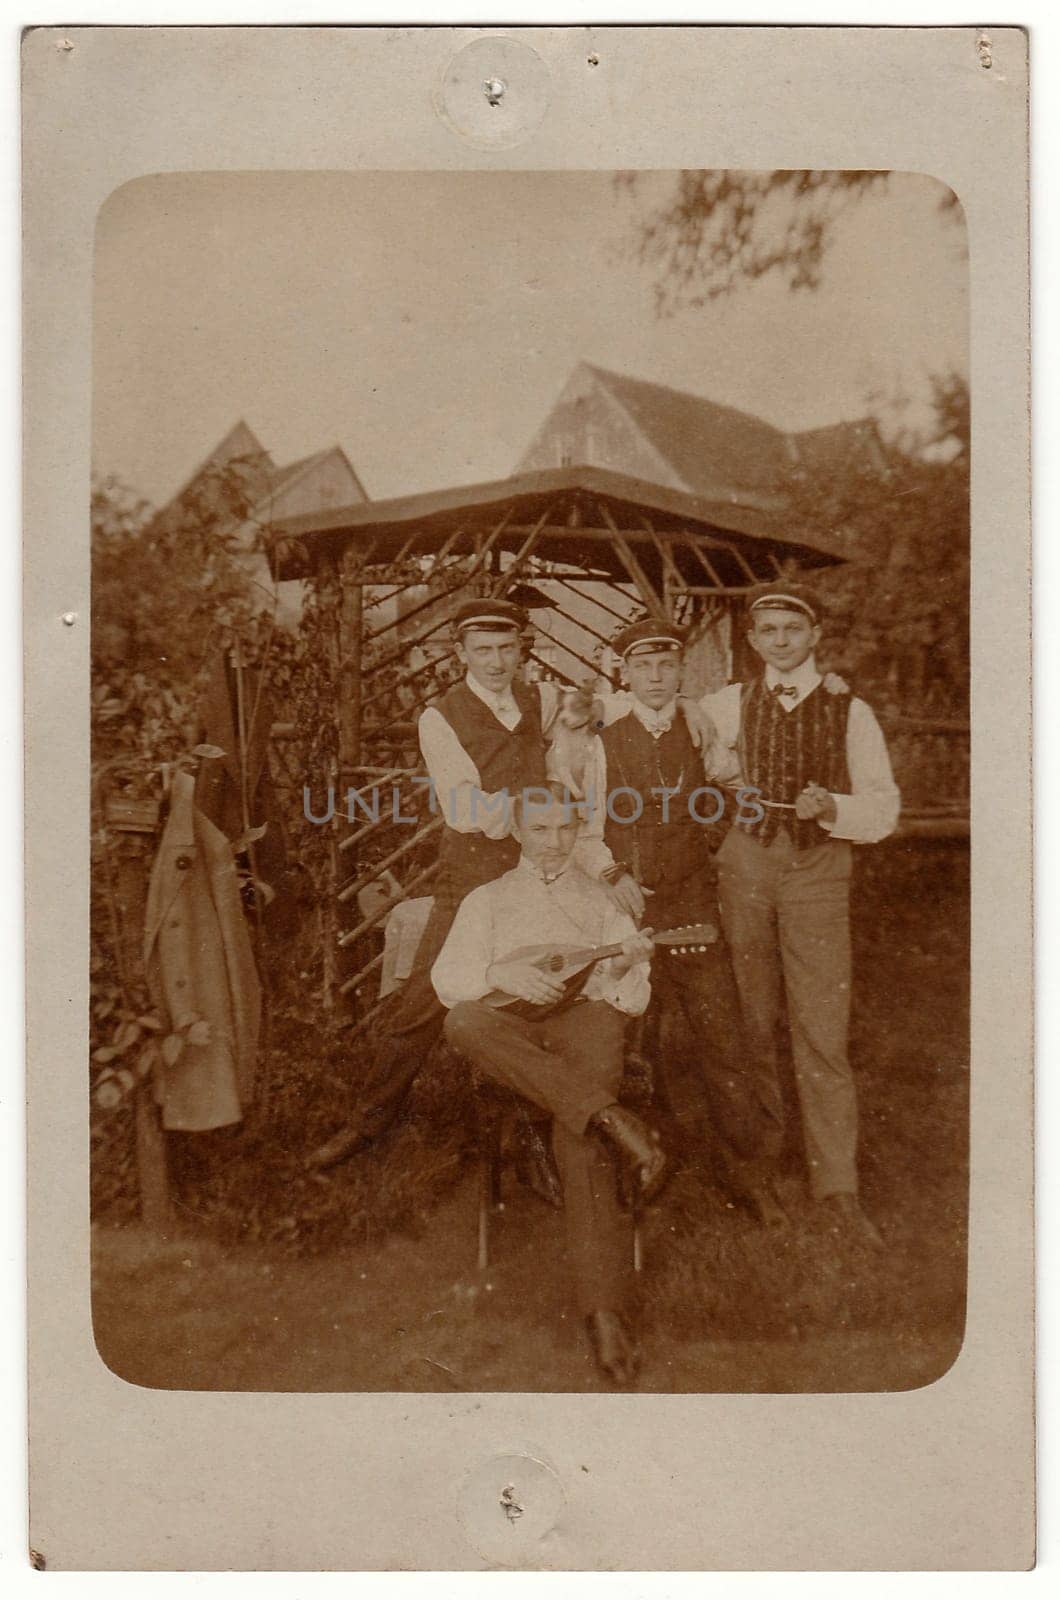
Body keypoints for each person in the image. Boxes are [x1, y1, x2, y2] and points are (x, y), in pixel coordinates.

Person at [309, 596, 562, 1167]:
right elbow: (467, 809)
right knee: (426, 995)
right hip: (473, 873)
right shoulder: (441, 717)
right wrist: (537, 807)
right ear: (461, 653)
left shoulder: (540, 697)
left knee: (537, 994)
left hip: (536, 872)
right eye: (483, 650)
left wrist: (589, 716)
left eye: (506, 648)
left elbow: (586, 720)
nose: (496, 661)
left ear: (523, 650)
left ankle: (530, 1138)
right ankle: (369, 1123)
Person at [434, 783, 660, 1384]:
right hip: (515, 1036)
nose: (554, 843)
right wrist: (497, 970)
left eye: (565, 829)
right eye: (540, 829)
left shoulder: (602, 900)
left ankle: (604, 1313)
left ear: (577, 828)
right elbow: (450, 981)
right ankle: (612, 1116)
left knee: (576, 1137)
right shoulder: (486, 900)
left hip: (586, 1024)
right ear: (516, 831)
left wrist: (619, 968)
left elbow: (632, 999)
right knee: (463, 1020)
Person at [701, 581, 900, 1246]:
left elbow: (883, 808)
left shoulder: (852, 711)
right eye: (768, 631)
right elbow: (659, 726)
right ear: (752, 641)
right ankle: (761, 1172)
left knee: (821, 1027)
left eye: (793, 629)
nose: (780, 641)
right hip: (748, 865)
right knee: (751, 1019)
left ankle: (837, 1187)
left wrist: (834, 809)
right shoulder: (724, 705)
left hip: (818, 867)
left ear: (814, 637)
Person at [577, 618, 786, 1227]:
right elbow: (586, 831)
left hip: (693, 904)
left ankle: (750, 1174)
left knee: (721, 1036)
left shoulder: (702, 729)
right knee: (626, 1040)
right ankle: (633, 1166)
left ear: (680, 671)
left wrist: (712, 837)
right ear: (624, 673)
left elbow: (734, 786)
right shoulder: (600, 739)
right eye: (643, 666)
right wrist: (613, 875)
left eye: (667, 665)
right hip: (626, 908)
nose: (657, 677)